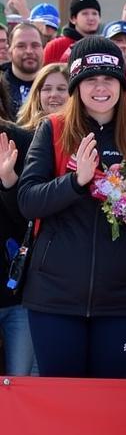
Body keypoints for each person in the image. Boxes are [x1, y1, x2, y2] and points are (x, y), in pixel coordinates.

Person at [16, 36, 126, 378]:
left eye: (109, 79)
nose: (100, 88)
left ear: (120, 84)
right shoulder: (53, 129)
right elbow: (28, 201)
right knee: (61, 403)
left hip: (120, 300)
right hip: (54, 298)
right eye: (90, 79)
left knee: (109, 402)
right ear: (76, 85)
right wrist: (76, 182)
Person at [0, 117, 37, 375]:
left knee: (22, 384)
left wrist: (9, 181)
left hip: (18, 295)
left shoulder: (20, 139)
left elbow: (32, 217)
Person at [43, 0, 102, 65]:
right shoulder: (55, 46)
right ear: (73, 19)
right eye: (85, 13)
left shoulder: (103, 47)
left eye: (94, 13)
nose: (91, 18)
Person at [2, 22, 44, 117]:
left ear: (43, 49)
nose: (29, 51)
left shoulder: (57, 85)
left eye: (35, 45)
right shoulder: (1, 86)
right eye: (21, 46)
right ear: (10, 51)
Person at [15, 62, 69, 130]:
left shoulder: (83, 130)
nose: (53, 94)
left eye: (61, 89)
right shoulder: (19, 134)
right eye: (47, 89)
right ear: (37, 95)